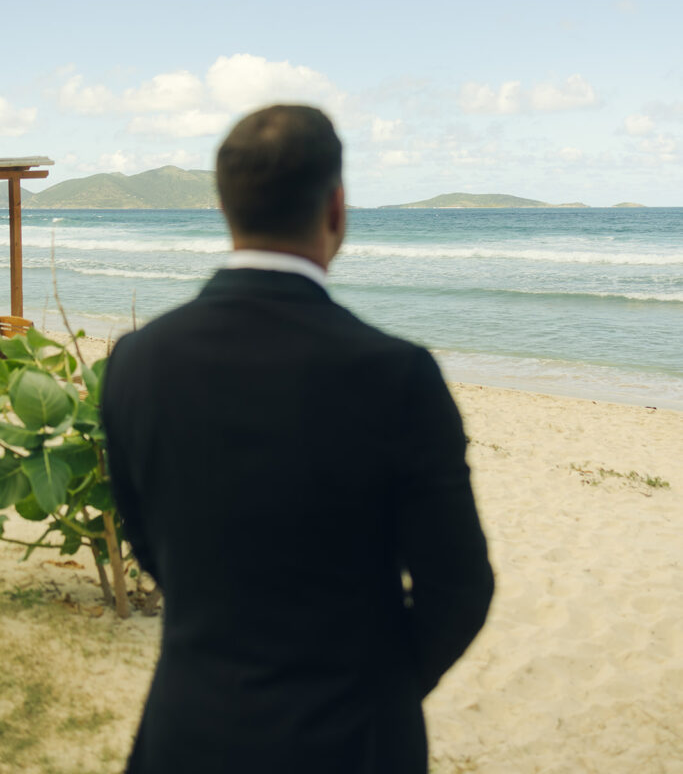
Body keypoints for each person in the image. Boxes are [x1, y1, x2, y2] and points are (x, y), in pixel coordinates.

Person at [101, 104, 493, 774]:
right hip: (354, 742)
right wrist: (381, 691)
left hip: (188, 731)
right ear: (336, 207)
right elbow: (458, 588)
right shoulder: (396, 373)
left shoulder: (136, 361)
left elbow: (149, 543)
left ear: (225, 208)